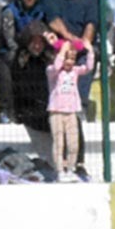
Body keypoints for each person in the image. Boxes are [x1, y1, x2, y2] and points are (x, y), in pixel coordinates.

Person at [46, 35, 93, 181]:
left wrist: (90, 50)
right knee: (59, 142)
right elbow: (56, 66)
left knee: (73, 142)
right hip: (56, 112)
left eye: (73, 59)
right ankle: (59, 170)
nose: (70, 62)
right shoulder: (52, 71)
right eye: (67, 58)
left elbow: (89, 67)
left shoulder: (75, 71)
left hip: (72, 111)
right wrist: (63, 50)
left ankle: (71, 169)